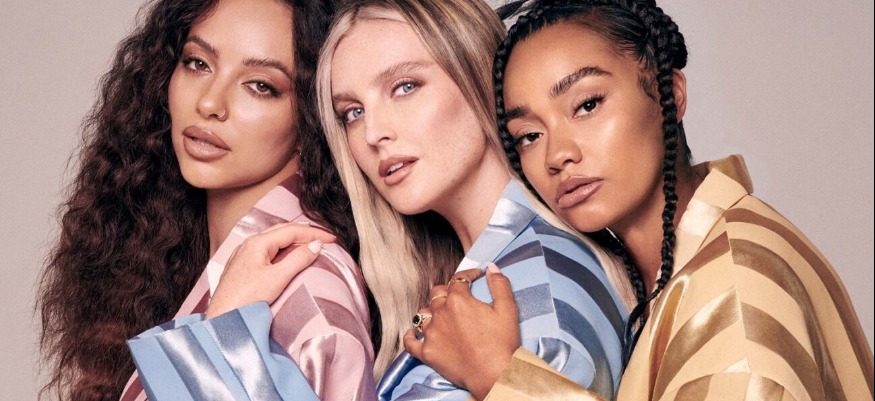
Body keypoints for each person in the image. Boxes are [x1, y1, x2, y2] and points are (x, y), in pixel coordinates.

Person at [407, 0, 875, 400]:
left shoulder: (735, 293)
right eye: (529, 135)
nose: (557, 155)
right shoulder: (681, 272)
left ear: (670, 91)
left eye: (587, 105)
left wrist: (500, 376)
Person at [37, 0, 376, 400]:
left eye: (260, 86)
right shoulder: (177, 261)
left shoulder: (310, 301)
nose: (210, 103)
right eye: (198, 63)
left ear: (311, 119)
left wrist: (220, 336)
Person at [315, 0, 635, 400]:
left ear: (478, 76)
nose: (373, 133)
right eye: (352, 112)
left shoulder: (531, 295)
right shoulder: (499, 275)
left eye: (405, 87)